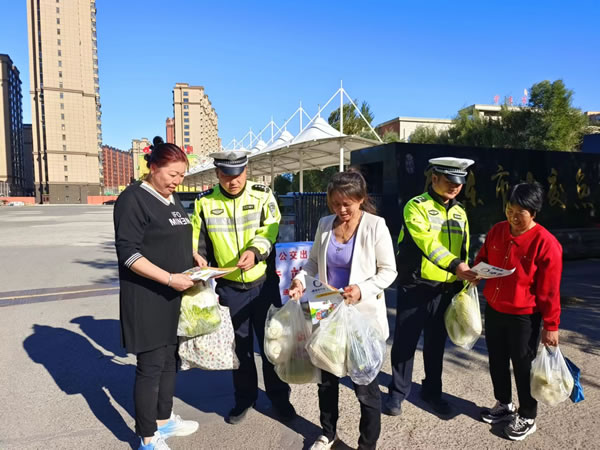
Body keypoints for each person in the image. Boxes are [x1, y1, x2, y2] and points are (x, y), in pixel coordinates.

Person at [289, 170, 397, 450]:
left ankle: (367, 445)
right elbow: (313, 263)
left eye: (347, 203)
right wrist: (300, 281)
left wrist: (361, 289)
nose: (341, 210)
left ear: (361, 199)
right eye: (335, 203)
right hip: (327, 314)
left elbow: (389, 271)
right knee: (326, 382)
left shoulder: (375, 226)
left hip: (362, 320)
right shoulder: (325, 224)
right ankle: (328, 434)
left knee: (366, 389)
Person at [191, 150, 295, 425]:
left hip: (263, 284)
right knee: (240, 348)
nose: (233, 181)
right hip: (229, 286)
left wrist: (255, 251)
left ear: (246, 171)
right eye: (227, 175)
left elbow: (270, 229)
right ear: (217, 174)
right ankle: (245, 398)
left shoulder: (262, 195)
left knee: (272, 344)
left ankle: (279, 398)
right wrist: (198, 258)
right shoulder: (204, 201)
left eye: (239, 174)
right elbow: (198, 241)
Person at [114, 137, 203, 449]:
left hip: (174, 295)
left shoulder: (170, 197)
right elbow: (128, 254)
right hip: (148, 297)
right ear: (153, 168)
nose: (177, 182)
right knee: (150, 367)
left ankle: (164, 420)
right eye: (172, 174)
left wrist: (193, 256)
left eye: (182, 176)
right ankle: (147, 437)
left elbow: (175, 235)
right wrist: (168, 278)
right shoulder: (133, 199)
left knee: (169, 360)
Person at [384, 157, 478, 417]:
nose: (455, 187)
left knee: (436, 344)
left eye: (459, 182)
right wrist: (456, 265)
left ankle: (432, 392)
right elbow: (427, 242)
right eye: (449, 181)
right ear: (434, 178)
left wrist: (465, 279)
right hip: (416, 285)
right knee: (405, 342)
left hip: (445, 288)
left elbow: (464, 248)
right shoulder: (416, 206)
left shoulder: (460, 212)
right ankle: (397, 392)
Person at [476, 182, 563, 441]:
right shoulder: (498, 230)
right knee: (497, 360)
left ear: (533, 213)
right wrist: (476, 271)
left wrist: (551, 325)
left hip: (524, 315)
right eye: (509, 210)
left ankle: (527, 415)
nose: (513, 217)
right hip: (495, 308)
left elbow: (550, 291)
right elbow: (483, 257)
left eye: (520, 213)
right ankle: (504, 404)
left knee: (523, 365)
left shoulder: (546, 243)